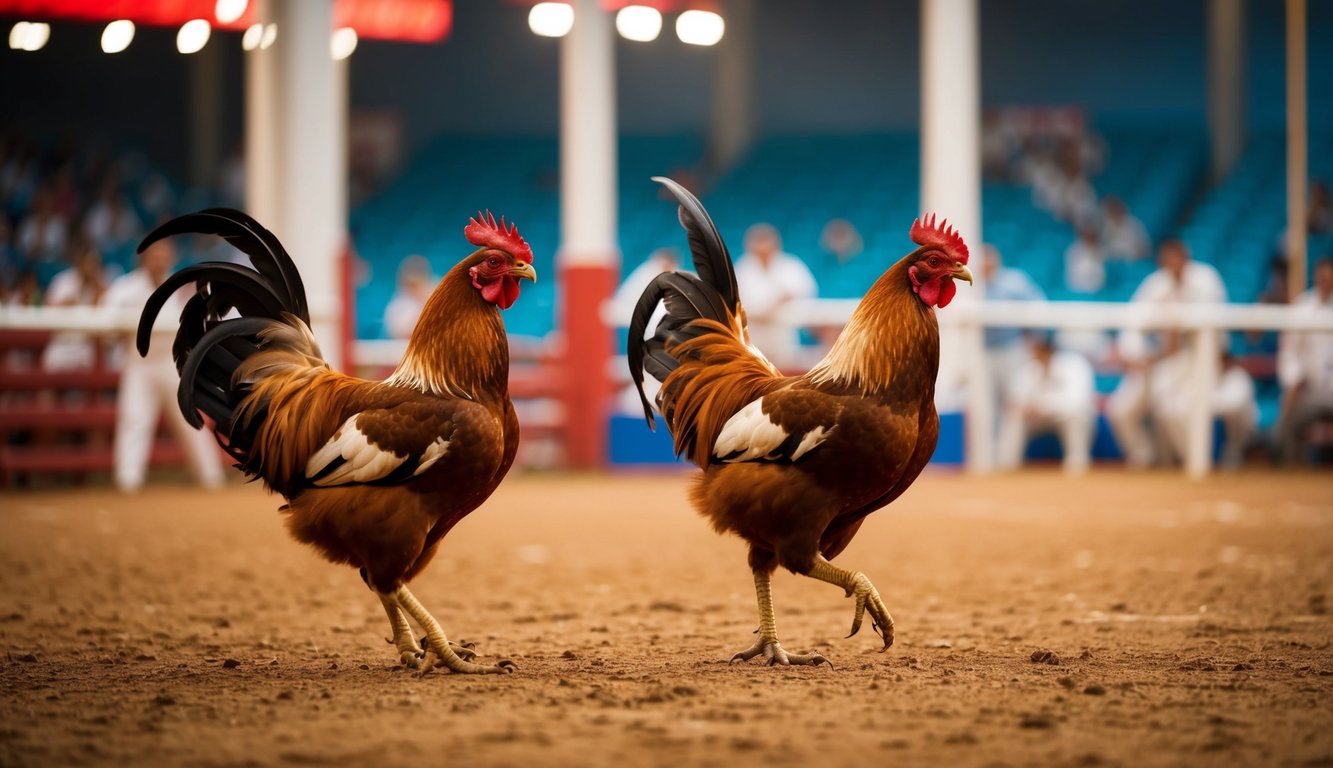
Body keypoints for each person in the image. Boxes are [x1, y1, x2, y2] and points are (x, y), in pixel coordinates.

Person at [102, 239, 225, 492]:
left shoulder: (182, 286)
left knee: (192, 421)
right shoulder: (124, 289)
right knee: (134, 420)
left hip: (173, 363)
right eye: (154, 256)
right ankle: (128, 481)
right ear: (144, 258)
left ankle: (212, 478)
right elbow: (105, 326)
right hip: (140, 364)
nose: (159, 261)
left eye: (164, 256)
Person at [1107, 240, 1227, 468]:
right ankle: (1144, 456)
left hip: (1198, 361)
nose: (1169, 264)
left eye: (1174, 258)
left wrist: (1168, 342)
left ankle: (1194, 461)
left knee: (1174, 408)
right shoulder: (1157, 284)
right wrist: (1135, 355)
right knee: (1121, 409)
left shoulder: (1206, 280)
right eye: (1165, 259)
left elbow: (1204, 331)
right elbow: (1134, 321)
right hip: (1158, 361)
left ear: (1185, 257)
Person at [996, 334, 1096, 474]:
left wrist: (1041, 407)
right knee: (1015, 416)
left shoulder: (1074, 365)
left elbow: (1077, 402)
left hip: (1064, 416)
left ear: (1049, 351)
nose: (1034, 355)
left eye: (1037, 351)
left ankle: (1077, 461)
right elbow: (1015, 399)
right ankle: (1007, 464)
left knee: (1077, 414)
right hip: (1037, 420)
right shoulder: (1030, 368)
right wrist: (1022, 407)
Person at [733, 223, 817, 369]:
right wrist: (771, 305)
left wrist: (777, 303)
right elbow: (737, 300)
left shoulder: (790, 265)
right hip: (753, 331)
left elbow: (804, 292)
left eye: (764, 241)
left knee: (784, 374)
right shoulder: (743, 267)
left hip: (781, 332)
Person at [1155, 352, 1257, 470]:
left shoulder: (1238, 377)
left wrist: (1206, 406)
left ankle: (1227, 455)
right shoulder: (1202, 375)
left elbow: (1231, 406)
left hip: (1236, 435)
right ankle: (1190, 457)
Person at [1276, 257, 1333, 463]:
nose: (1326, 281)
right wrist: (1294, 382)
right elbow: (1290, 353)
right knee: (1289, 418)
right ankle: (1289, 470)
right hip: (1310, 390)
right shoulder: (1302, 307)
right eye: (1322, 277)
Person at [982, 245, 1046, 406]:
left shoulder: (1014, 281)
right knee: (984, 401)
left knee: (1014, 398)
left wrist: (1036, 343)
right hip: (982, 351)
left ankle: (1010, 432)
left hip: (1011, 348)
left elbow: (1038, 309)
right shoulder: (968, 284)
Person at [40, 242, 107, 371]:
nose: (91, 267)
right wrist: (64, 305)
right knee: (49, 372)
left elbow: (103, 322)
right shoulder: (63, 281)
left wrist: (98, 299)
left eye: (94, 263)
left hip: (86, 346)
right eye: (88, 262)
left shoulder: (100, 286)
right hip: (61, 342)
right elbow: (47, 312)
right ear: (80, 262)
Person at [382, 255, 434, 340]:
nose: (414, 289)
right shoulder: (399, 305)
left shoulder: (433, 292)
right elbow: (400, 332)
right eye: (411, 285)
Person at [1100, 196, 1150, 262]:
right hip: (1113, 264)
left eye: (1116, 208)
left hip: (1132, 263)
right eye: (1111, 210)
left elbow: (1145, 247)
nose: (1114, 212)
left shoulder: (1134, 224)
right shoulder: (1104, 227)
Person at [1064, 221, 1105, 294]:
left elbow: (1101, 275)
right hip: (1077, 290)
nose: (1089, 236)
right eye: (1087, 233)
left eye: (1091, 234)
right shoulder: (1073, 250)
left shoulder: (1100, 250)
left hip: (1097, 291)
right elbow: (1072, 276)